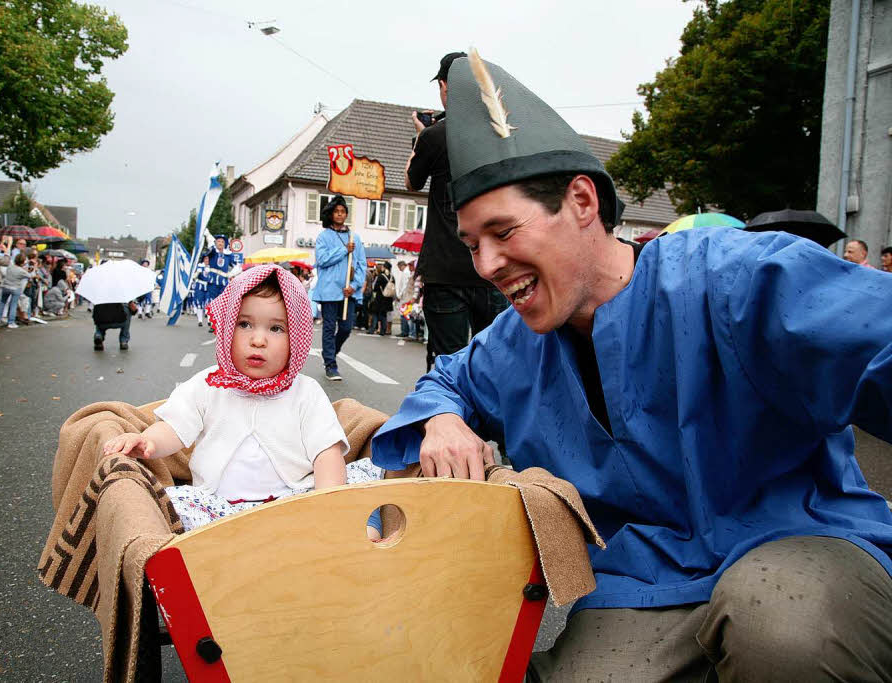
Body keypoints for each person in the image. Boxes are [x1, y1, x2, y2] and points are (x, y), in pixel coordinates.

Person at [371, 52, 892, 681]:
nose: (484, 265)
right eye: (472, 243)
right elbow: (446, 380)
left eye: (503, 231)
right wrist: (442, 420)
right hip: (648, 581)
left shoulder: (730, 275)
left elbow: (871, 335)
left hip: (799, 540)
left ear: (582, 201)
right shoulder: (511, 342)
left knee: (781, 629)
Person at [101, 265, 383, 534]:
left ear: (297, 338)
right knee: (157, 505)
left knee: (363, 480)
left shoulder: (305, 392)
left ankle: (357, 539)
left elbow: (327, 453)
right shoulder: (209, 384)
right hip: (218, 510)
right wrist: (148, 442)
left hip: (293, 501)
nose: (258, 340)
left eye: (276, 329)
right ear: (226, 328)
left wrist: (326, 505)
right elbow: (174, 426)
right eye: (245, 324)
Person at [406, 51, 508, 371]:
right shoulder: (500, 133)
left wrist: (421, 135)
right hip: (492, 269)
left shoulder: (435, 136)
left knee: (447, 364)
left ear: (445, 86)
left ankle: (443, 418)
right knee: (491, 361)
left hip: (445, 269)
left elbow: (411, 182)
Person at [312, 195, 366, 381]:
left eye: (343, 212)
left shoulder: (355, 238)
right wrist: (344, 250)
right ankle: (330, 364)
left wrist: (354, 285)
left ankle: (330, 352)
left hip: (347, 292)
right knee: (328, 327)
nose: (340, 214)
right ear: (331, 214)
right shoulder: (324, 236)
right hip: (329, 291)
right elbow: (322, 260)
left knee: (346, 328)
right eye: (337, 211)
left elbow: (361, 265)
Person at [0, 252, 33, 329]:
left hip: (5, 286)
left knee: (2, 302)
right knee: (13, 304)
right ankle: (11, 322)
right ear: (23, 262)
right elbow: (29, 276)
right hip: (15, 288)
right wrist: (28, 270)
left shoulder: (10, 266)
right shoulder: (22, 271)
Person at [370, 262, 394, 335]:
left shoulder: (381, 276)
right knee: (384, 315)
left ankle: (372, 329)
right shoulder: (392, 277)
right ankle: (383, 331)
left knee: (375, 313)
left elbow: (375, 288)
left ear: (385, 267)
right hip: (388, 298)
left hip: (380, 298)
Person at [191, 254, 211, 326]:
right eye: (206, 259)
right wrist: (197, 272)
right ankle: (200, 321)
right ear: (203, 259)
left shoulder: (211, 267)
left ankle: (209, 320)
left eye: (208, 259)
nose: (207, 260)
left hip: (209, 286)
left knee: (209, 303)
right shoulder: (199, 266)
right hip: (200, 286)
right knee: (199, 304)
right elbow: (194, 277)